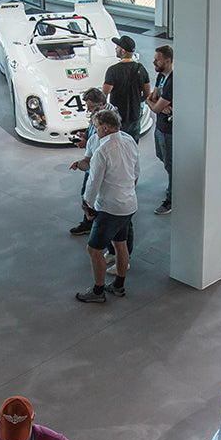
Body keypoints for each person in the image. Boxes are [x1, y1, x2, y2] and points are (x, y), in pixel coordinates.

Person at [76, 109, 138, 303]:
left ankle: (98, 291)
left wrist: (87, 205)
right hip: (129, 204)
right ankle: (118, 286)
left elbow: (93, 183)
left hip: (110, 208)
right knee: (120, 245)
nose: (94, 131)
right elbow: (136, 173)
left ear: (105, 127)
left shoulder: (102, 150)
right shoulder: (129, 141)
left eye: (95, 127)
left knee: (94, 250)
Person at [68, 87, 109, 236]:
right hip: (91, 165)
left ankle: (93, 224)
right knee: (87, 194)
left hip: (97, 167)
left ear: (101, 104)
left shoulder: (109, 118)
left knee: (92, 196)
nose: (87, 109)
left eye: (90, 107)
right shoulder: (97, 115)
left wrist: (87, 144)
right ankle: (89, 222)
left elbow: (102, 143)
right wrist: (86, 136)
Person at [102, 35, 151, 138]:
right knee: (132, 148)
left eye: (117, 47)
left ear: (123, 51)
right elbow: (147, 93)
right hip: (134, 116)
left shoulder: (113, 70)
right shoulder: (141, 69)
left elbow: (104, 95)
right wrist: (137, 100)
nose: (116, 49)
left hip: (117, 119)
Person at [149, 45, 173, 215]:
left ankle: (172, 198)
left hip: (169, 131)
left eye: (157, 59)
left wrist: (154, 105)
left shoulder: (173, 81)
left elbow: (156, 107)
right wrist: (154, 103)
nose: (154, 62)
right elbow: (152, 98)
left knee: (171, 165)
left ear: (168, 60)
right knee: (162, 156)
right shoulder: (160, 76)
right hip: (160, 127)